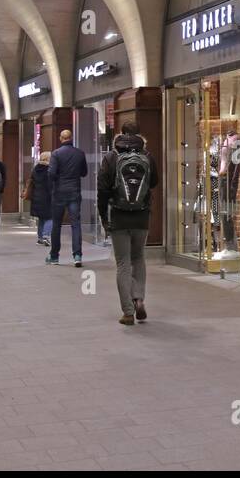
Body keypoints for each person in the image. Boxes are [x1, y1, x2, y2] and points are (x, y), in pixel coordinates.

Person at [97, 122, 159, 325]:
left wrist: (103, 218)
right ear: (138, 135)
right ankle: (139, 298)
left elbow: (103, 190)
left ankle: (128, 312)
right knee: (138, 258)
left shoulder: (111, 157)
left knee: (123, 263)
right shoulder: (147, 156)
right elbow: (155, 182)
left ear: (120, 134)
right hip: (142, 216)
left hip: (119, 216)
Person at [47, 129, 88, 267]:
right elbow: (84, 173)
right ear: (71, 138)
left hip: (59, 193)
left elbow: (51, 174)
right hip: (74, 192)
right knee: (75, 224)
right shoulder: (80, 153)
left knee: (56, 225)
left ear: (61, 138)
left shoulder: (56, 154)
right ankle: (77, 255)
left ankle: (54, 257)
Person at [23, 152, 53, 246]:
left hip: (36, 197)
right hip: (47, 197)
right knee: (50, 217)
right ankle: (46, 236)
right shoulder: (49, 170)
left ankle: (40, 238)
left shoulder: (35, 169)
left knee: (41, 218)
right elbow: (50, 185)